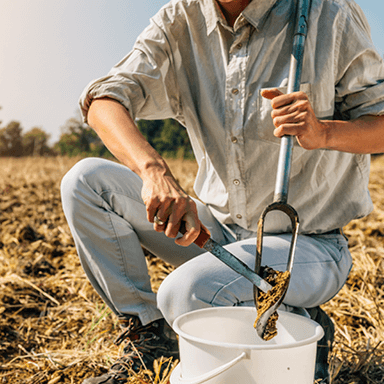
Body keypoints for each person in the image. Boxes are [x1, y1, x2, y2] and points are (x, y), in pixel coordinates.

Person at [61, 0, 384, 383]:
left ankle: (297, 319)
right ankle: (152, 337)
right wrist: (153, 171)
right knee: (85, 181)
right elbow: (103, 101)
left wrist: (323, 132)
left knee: (185, 293)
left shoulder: (328, 14)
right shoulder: (179, 19)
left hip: (307, 244)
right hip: (217, 229)